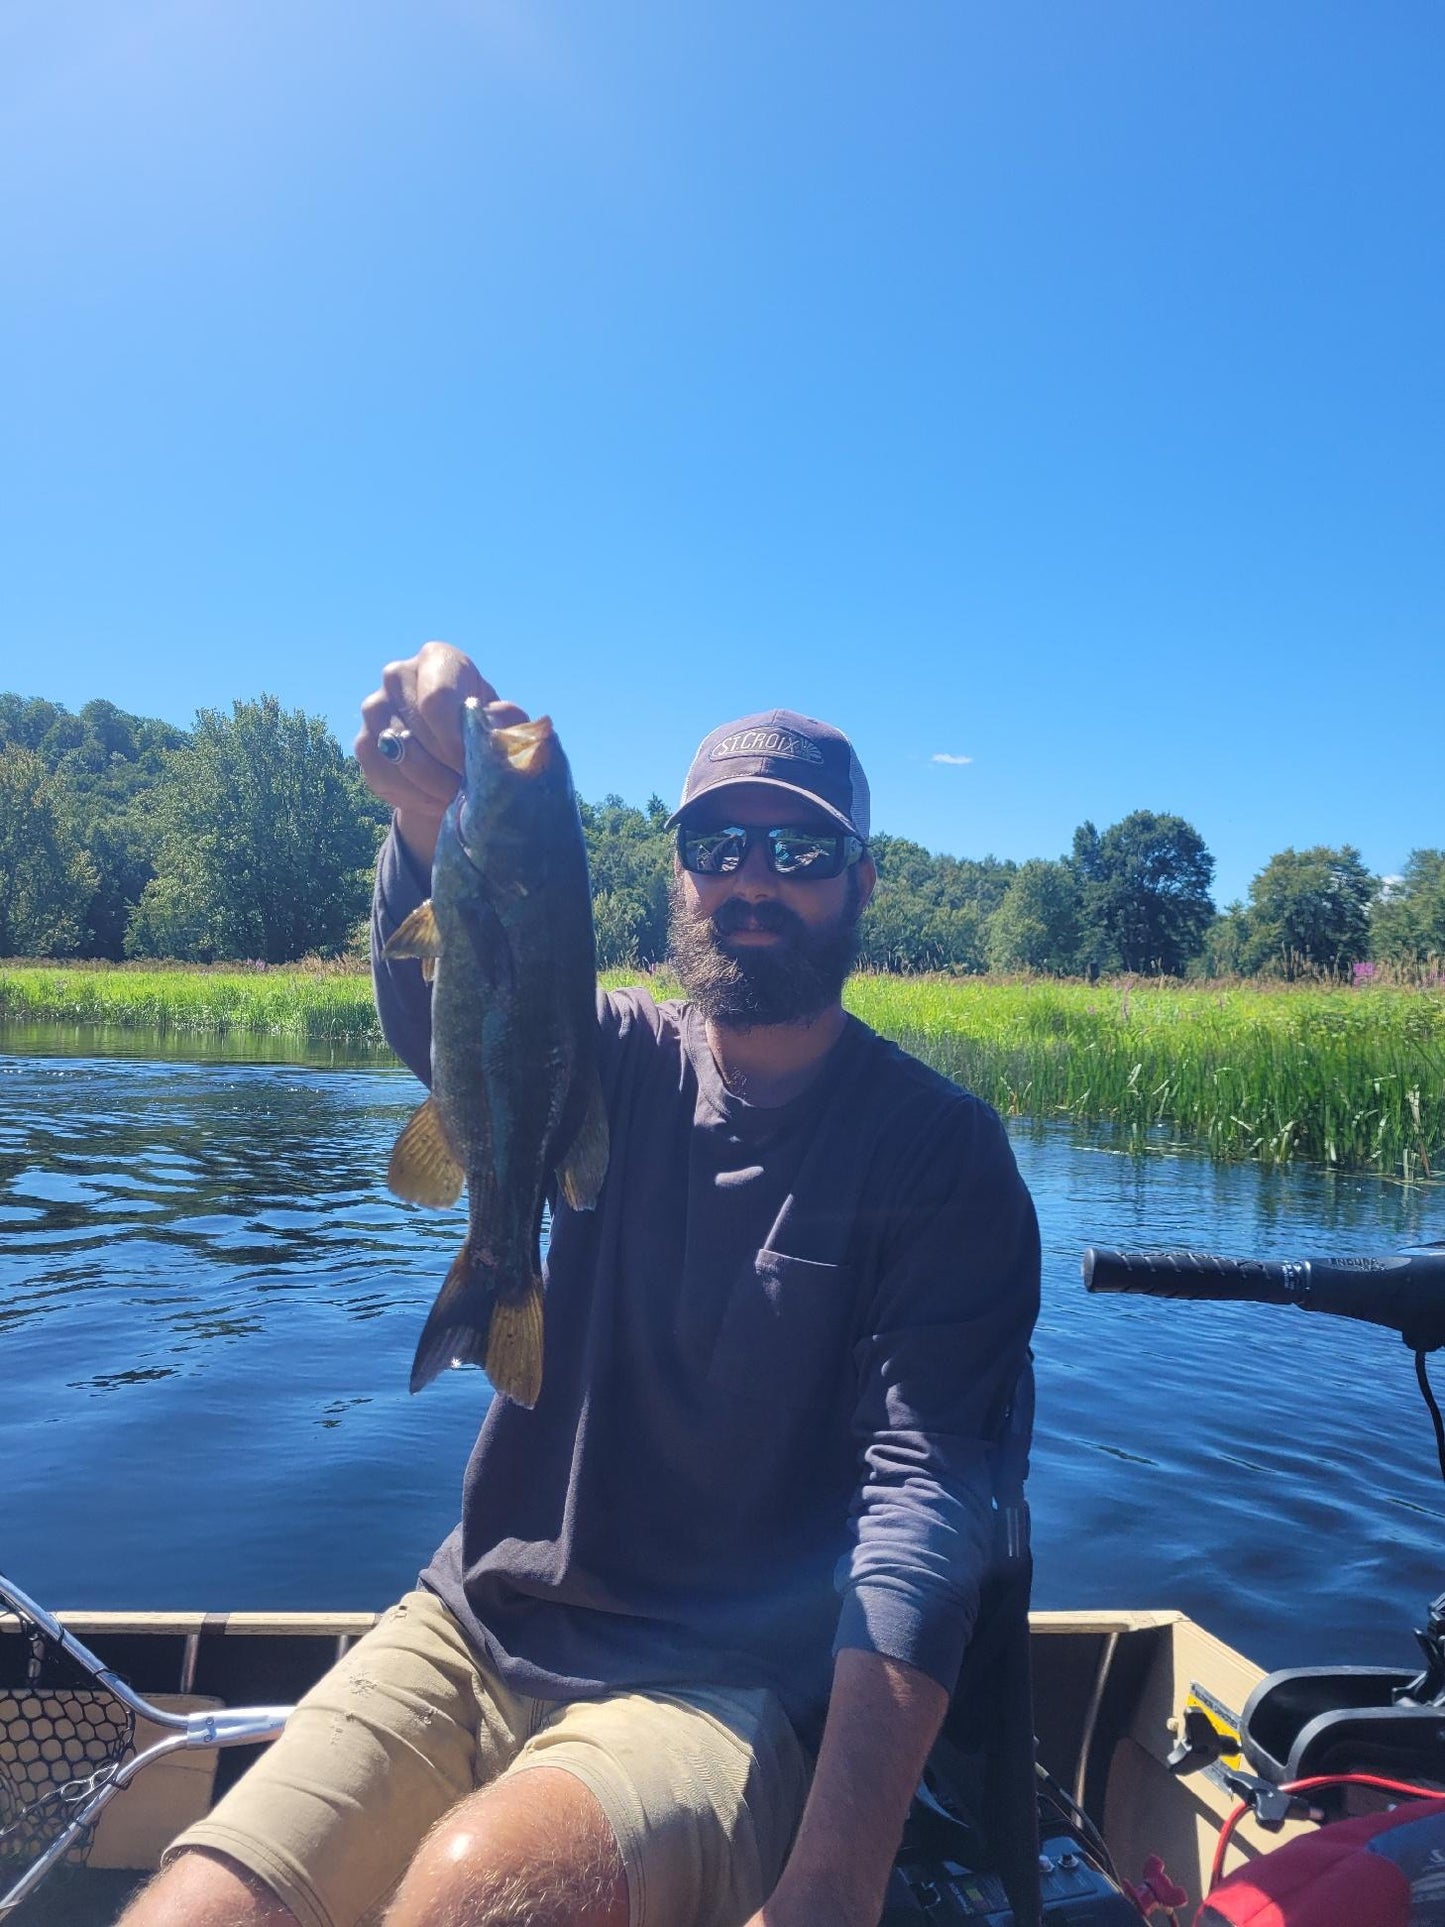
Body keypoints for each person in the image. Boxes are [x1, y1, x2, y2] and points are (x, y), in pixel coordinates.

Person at [123, 642, 1040, 1927]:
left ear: (864, 884)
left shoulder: (938, 1152)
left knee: (478, 1891)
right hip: (474, 1623)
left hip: (723, 1691)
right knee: (199, 1908)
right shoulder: (608, 1052)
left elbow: (924, 1507)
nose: (752, 882)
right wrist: (424, 813)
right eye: (719, 844)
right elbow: (437, 1012)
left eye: (801, 852)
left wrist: (833, 1877)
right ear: (675, 875)